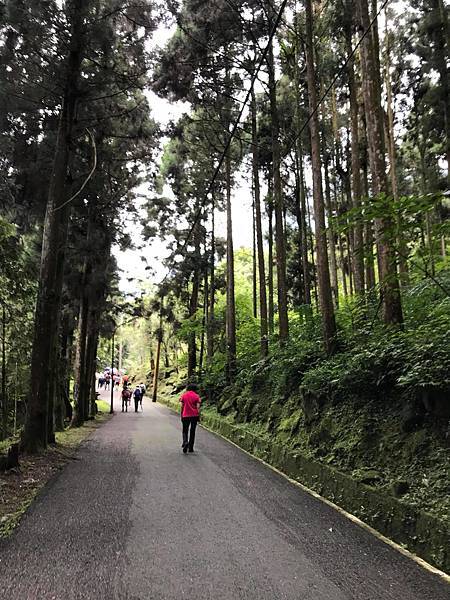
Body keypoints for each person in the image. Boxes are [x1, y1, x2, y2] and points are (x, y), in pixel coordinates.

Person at [180, 384, 201, 454]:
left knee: (185, 430)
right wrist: (199, 416)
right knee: (192, 431)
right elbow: (198, 407)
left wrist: (181, 414)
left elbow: (182, 406)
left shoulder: (184, 395)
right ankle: (191, 447)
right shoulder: (197, 396)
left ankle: (185, 442)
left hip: (185, 415)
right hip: (194, 416)